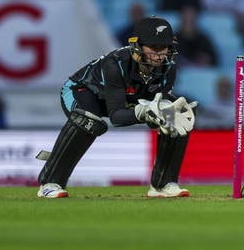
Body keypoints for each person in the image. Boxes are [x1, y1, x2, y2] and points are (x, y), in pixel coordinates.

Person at [37, 16, 197, 199]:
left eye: (163, 48)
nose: (159, 54)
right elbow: (116, 116)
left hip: (124, 100)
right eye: (153, 47)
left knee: (173, 117)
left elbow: (157, 119)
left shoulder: (169, 67)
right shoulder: (116, 64)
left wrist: (162, 117)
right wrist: (144, 112)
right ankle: (49, 183)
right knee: (89, 121)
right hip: (83, 91)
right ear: (138, 46)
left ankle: (162, 185)